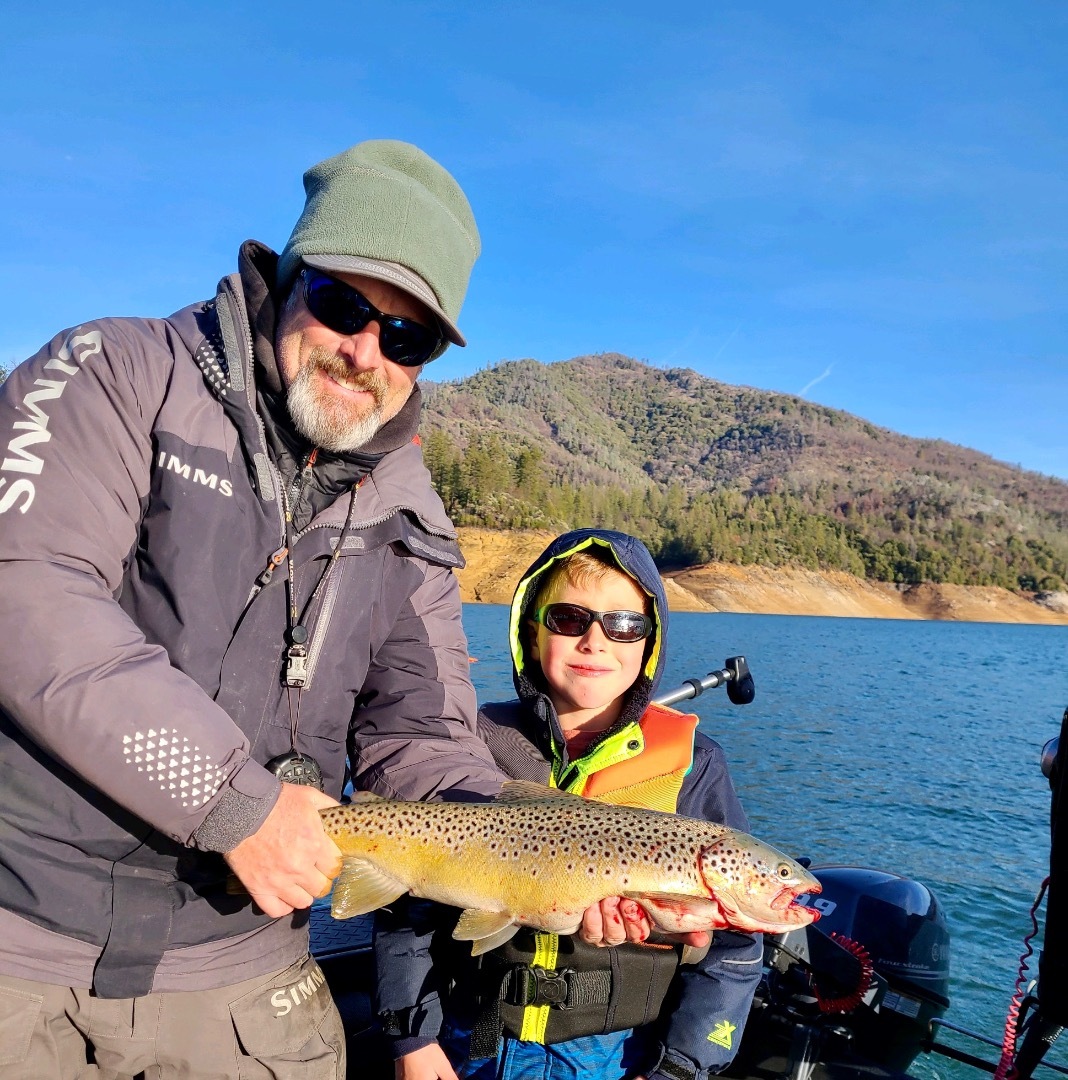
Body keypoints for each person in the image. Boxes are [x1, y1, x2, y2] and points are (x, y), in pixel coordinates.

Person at [0, 139, 512, 1079]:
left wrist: (534, 855)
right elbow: (25, 588)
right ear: (288, 273)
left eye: (408, 338)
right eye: (345, 305)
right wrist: (236, 805)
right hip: (20, 944)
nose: (366, 353)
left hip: (244, 974)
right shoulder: (116, 371)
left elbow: (425, 732)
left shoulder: (414, 517)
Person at [374, 528, 763, 1080]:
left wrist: (682, 1067)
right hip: (468, 1038)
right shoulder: (467, 746)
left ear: (648, 645)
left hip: (616, 1053)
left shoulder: (695, 767)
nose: (595, 641)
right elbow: (403, 901)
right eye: (569, 620)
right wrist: (409, 1038)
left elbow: (735, 952)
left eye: (624, 625)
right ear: (531, 633)